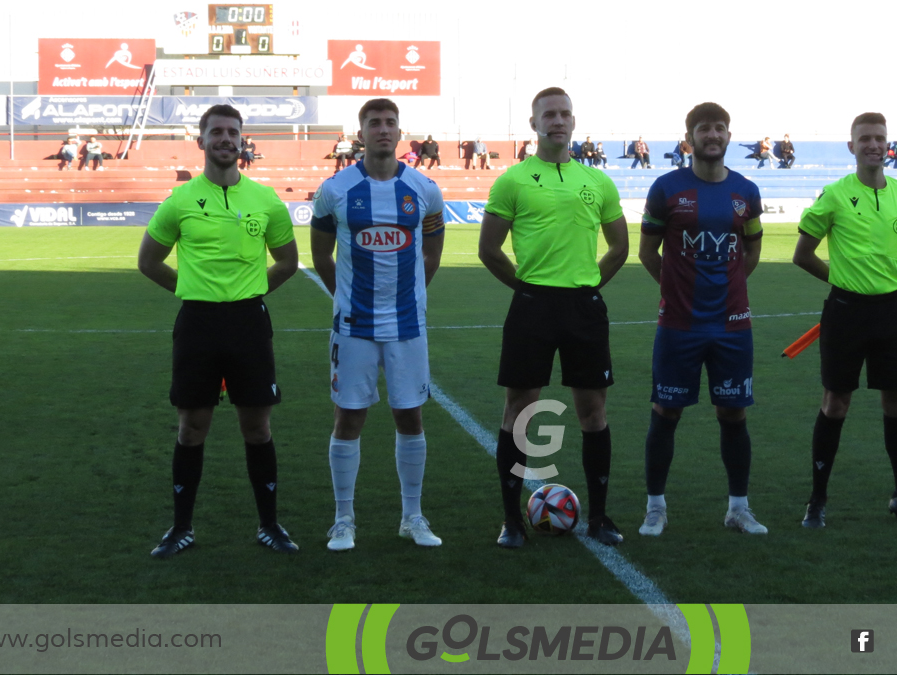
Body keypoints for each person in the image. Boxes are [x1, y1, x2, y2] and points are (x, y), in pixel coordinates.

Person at [138, 104, 301, 558]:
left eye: (233, 132)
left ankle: (269, 525)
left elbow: (287, 262)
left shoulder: (266, 200)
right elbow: (148, 262)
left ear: (242, 140)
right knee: (192, 427)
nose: (225, 139)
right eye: (217, 132)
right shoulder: (180, 200)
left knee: (257, 426)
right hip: (198, 324)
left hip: (249, 322)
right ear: (202, 140)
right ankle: (181, 528)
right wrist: (191, 290)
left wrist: (249, 291)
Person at [478, 86, 630, 549]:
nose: (557, 121)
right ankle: (511, 521)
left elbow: (620, 247)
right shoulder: (512, 181)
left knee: (593, 411)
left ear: (573, 122)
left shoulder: (598, 182)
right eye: (549, 114)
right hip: (532, 308)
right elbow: (489, 250)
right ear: (534, 124)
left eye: (564, 113)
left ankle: (600, 517)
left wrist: (587, 286)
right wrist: (526, 290)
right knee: (519, 409)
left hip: (583, 307)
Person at [309, 98, 447, 552]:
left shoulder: (424, 189)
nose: (383, 130)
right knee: (348, 417)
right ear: (361, 132)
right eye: (374, 123)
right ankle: (342, 519)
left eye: (390, 123)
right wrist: (344, 298)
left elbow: (431, 251)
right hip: (354, 326)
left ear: (399, 131)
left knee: (410, 416)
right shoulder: (336, 189)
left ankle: (412, 515)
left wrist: (415, 296)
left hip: (408, 325)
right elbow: (320, 255)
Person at [791, 111, 897, 529]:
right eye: (865, 138)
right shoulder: (834, 194)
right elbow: (802, 254)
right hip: (845, 313)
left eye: (880, 137)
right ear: (851, 146)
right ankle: (817, 501)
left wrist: (886, 283)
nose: (874, 144)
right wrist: (847, 283)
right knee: (836, 403)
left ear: (888, 144)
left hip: (894, 313)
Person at [637, 102, 768, 538]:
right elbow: (646, 252)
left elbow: (750, 251)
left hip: (733, 325)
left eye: (720, 128)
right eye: (703, 129)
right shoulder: (666, 188)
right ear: (689, 137)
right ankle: (656, 507)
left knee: (734, 415)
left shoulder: (746, 192)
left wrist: (729, 289)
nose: (712, 135)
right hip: (678, 324)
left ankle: (738, 508)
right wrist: (673, 290)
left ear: (729, 136)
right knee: (666, 411)